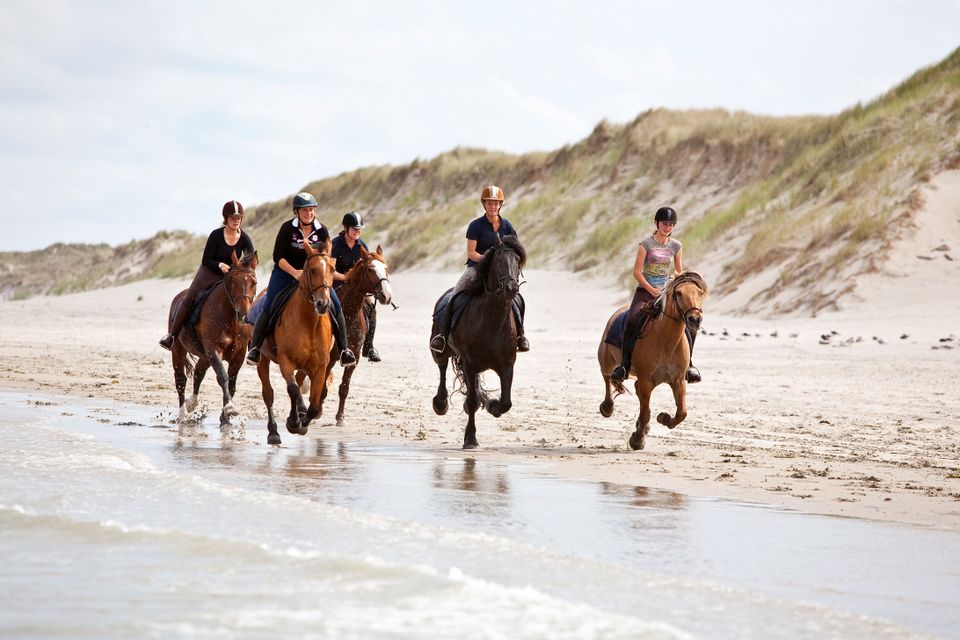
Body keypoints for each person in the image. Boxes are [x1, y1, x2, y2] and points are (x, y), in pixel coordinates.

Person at [245, 192, 356, 367]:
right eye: (305, 210)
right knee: (270, 303)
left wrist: (327, 272)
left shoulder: (322, 230)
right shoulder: (287, 229)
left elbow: (328, 258)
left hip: (315, 276)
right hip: (285, 273)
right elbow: (278, 257)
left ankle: (344, 350)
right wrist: (296, 273)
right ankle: (256, 348)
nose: (309, 213)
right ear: (297, 212)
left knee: (335, 305)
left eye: (311, 210)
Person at [429, 184, 529, 353]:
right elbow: (471, 252)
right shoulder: (475, 225)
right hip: (476, 268)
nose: (493, 206)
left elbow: (514, 250)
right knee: (455, 294)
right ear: (484, 204)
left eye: (496, 203)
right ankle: (443, 336)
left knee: (517, 299)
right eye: (490, 203)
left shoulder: (507, 226)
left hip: (500, 273)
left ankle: (520, 335)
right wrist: (488, 260)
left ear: (500, 205)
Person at [610, 206, 700, 384]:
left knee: (687, 321)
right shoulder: (646, 244)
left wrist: (680, 280)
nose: (667, 228)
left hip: (666, 292)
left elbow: (678, 272)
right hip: (645, 291)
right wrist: (651, 289)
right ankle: (624, 365)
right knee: (633, 318)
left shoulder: (676, 246)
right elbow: (637, 272)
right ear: (656, 224)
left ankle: (689, 365)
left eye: (671, 225)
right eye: (664, 224)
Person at [159, 200, 254, 351]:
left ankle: (251, 343)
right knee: (189, 298)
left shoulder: (244, 237)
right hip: (209, 273)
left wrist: (241, 267)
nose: (236, 221)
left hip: (231, 277)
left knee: (245, 298)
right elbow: (206, 259)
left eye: (238, 218)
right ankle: (172, 336)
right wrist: (220, 265)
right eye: (232, 218)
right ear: (226, 218)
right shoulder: (216, 235)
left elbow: (250, 257)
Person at [331, 210, 381, 362]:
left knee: (372, 307)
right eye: (354, 228)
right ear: (346, 228)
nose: (358, 231)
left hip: (357, 289)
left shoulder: (362, 245)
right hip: (337, 284)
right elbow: (331, 270)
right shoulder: (336, 244)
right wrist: (345, 277)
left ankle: (369, 346)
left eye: (360, 229)